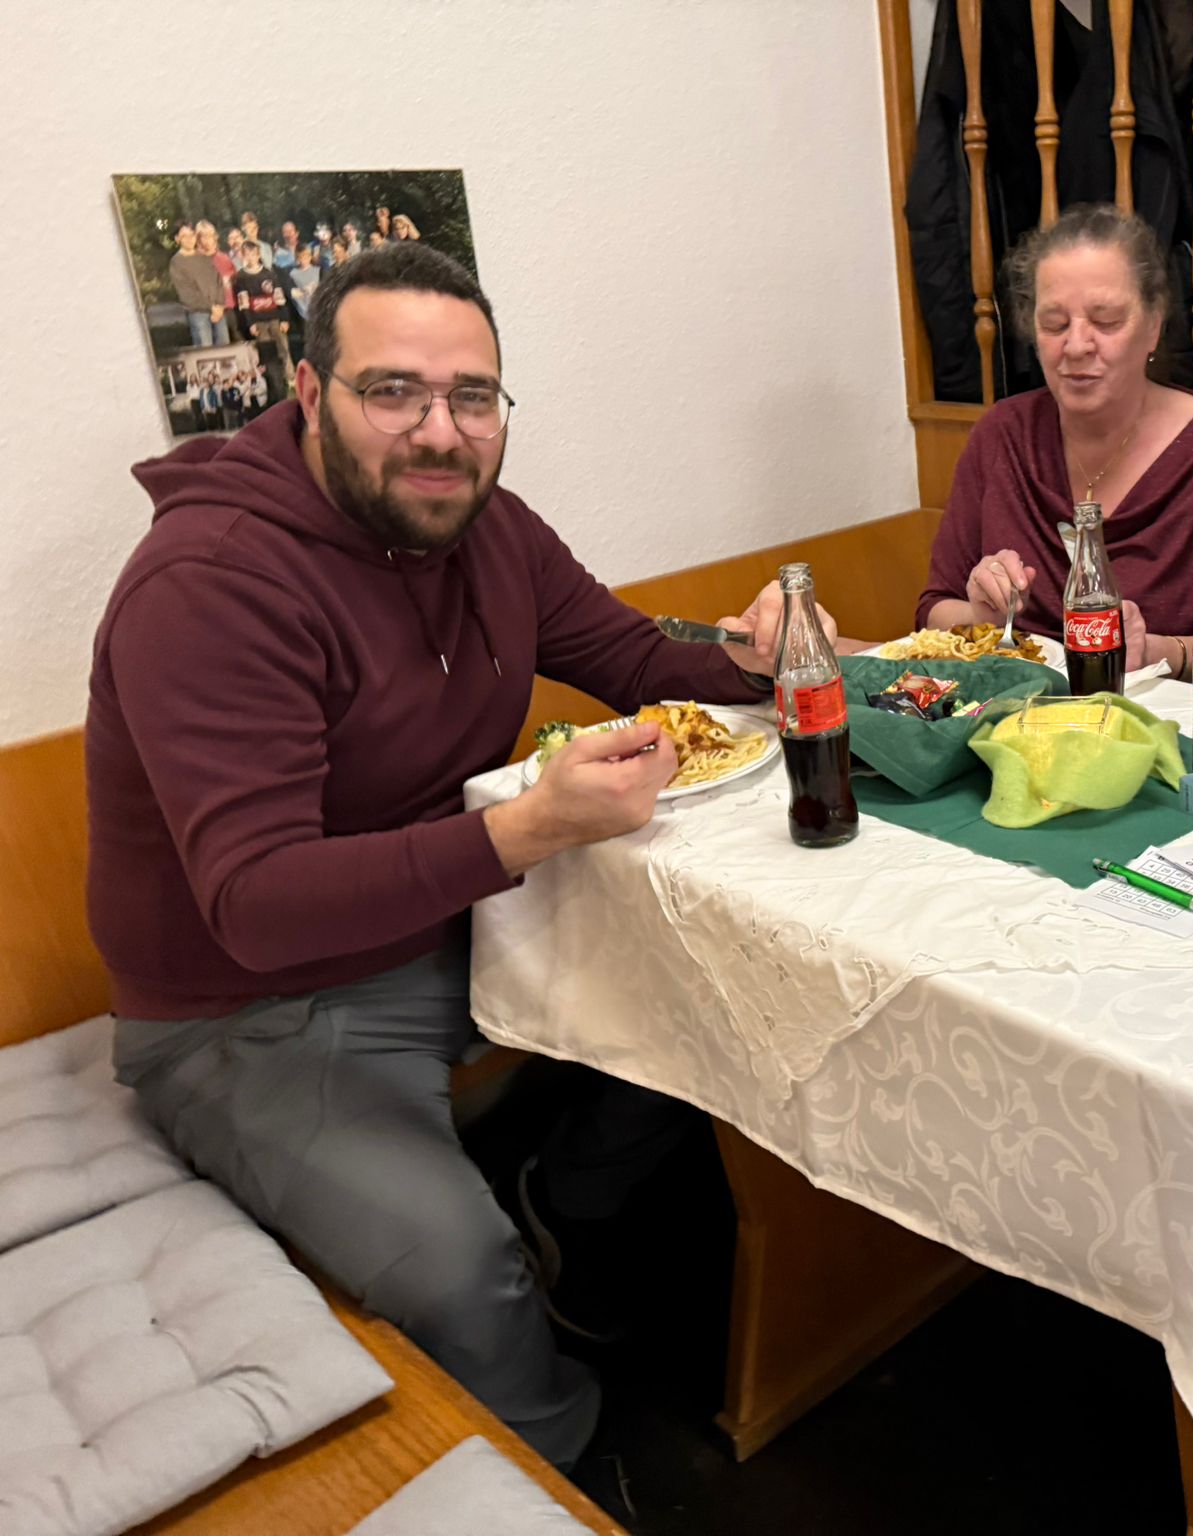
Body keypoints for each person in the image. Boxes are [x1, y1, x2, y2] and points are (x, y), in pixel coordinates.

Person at [86, 243, 824, 1486]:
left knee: (729, 994)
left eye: (471, 397)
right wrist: (527, 829)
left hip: (449, 926)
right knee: (463, 1276)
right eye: (394, 391)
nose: (440, 431)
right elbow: (257, 906)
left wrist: (756, 653)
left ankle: (564, 1194)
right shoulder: (210, 583)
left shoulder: (491, 527)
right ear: (310, 395)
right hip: (246, 1008)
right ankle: (567, 1471)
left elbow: (633, 656)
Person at [916, 203, 1193, 678]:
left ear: (1153, 325)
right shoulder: (1001, 434)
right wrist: (981, 615)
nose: (1076, 346)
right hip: (1018, 710)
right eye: (1054, 324)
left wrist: (1154, 651)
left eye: (1107, 320)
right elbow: (933, 607)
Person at [167, 223, 229, 347]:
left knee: (225, 348)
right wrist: (211, 307)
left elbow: (218, 282)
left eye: (192, 235)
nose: (189, 239)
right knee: (205, 351)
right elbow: (187, 294)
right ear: (177, 239)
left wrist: (220, 305)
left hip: (218, 312)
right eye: (184, 236)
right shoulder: (176, 263)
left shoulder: (204, 258)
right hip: (198, 314)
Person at [289, 242, 321, 322]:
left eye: (306, 256)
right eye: (300, 257)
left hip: (317, 309)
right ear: (297, 258)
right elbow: (293, 293)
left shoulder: (318, 271)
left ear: (310, 256)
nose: (303, 260)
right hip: (301, 310)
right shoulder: (293, 273)